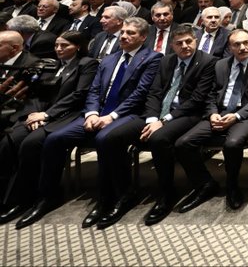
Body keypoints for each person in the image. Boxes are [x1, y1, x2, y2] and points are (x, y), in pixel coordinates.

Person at [18, 18, 161, 229]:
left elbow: (140, 93)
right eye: (123, 32)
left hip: (130, 114)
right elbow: (94, 90)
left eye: (130, 33)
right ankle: (48, 196)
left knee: (105, 139)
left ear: (143, 37)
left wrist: (111, 117)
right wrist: (92, 113)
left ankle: (114, 197)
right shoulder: (110, 59)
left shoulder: (152, 58)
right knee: (55, 138)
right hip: (97, 113)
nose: (123, 36)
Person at [95, 24, 217, 226]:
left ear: (195, 41)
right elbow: (154, 92)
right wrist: (152, 119)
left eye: (189, 41)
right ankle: (124, 193)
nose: (185, 46)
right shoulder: (166, 60)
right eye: (179, 43)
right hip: (156, 114)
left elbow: (197, 99)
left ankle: (167, 193)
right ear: (172, 45)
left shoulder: (208, 62)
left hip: (187, 114)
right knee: (112, 138)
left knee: (159, 139)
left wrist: (164, 121)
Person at [0, 31, 97, 226]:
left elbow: (79, 95)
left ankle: (44, 196)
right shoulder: (51, 65)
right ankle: (13, 198)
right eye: (57, 45)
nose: (59, 49)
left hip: (67, 115)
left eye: (64, 45)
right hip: (40, 114)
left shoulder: (87, 64)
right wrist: (34, 114)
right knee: (10, 141)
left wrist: (47, 115)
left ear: (78, 46)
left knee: (31, 144)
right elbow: (36, 94)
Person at [174, 30, 248, 211]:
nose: (242, 47)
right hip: (219, 113)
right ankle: (205, 184)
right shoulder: (220, 65)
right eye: (237, 44)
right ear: (230, 47)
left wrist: (237, 116)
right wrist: (212, 113)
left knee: (232, 144)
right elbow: (210, 94)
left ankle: (232, 186)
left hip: (244, 116)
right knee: (183, 143)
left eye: (246, 43)